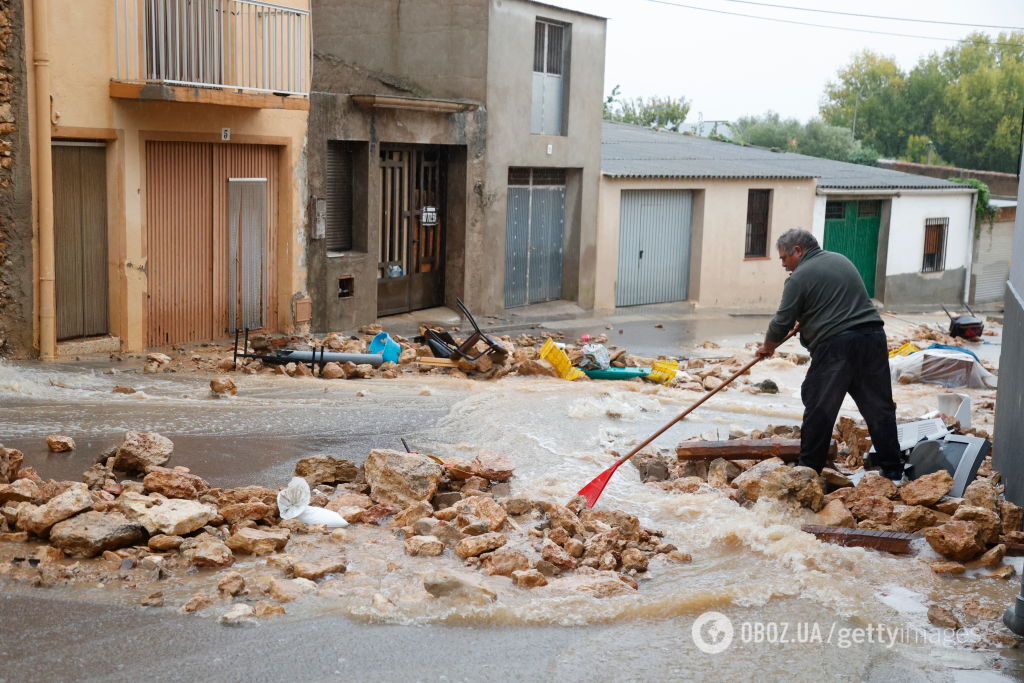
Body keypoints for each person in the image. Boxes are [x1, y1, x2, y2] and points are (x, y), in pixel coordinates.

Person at [756, 228, 904, 481]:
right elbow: (835, 303)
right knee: (879, 409)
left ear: (798, 251)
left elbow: (782, 321)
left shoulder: (799, 277)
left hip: (837, 346)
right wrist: (809, 318)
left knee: (819, 409)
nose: (783, 265)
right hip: (873, 338)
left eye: (783, 258)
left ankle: (808, 473)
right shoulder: (841, 260)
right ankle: (893, 472)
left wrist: (768, 346)